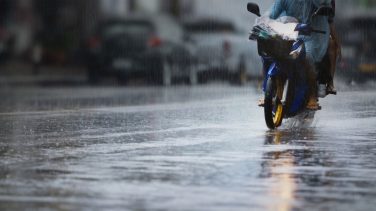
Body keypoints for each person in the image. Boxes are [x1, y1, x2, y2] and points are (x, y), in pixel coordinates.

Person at [261, 0, 331, 110]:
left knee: (307, 58)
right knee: (270, 55)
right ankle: (267, 93)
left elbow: (323, 3)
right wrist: (263, 21)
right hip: (290, 35)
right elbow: (273, 13)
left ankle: (312, 96)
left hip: (312, 36)